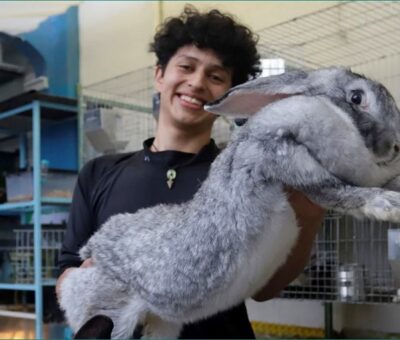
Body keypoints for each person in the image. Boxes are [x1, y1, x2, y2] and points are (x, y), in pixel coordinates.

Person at [57, 5, 325, 339]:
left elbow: (263, 288)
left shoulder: (247, 175)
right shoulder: (99, 173)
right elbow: (67, 268)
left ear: (230, 97)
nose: (197, 83)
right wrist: (86, 277)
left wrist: (310, 217)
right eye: (186, 67)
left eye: (216, 77)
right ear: (160, 75)